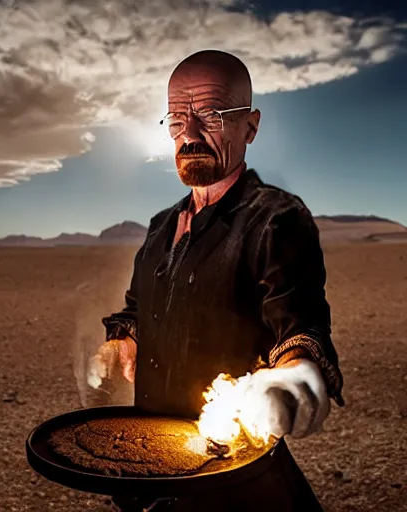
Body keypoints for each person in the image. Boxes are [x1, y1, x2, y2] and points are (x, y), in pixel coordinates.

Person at [87, 49, 344, 511]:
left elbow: (298, 324)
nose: (189, 134)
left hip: (232, 479)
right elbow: (137, 309)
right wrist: (123, 343)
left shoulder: (276, 219)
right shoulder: (161, 226)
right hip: (153, 462)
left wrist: (296, 375)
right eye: (177, 118)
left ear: (250, 126)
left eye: (209, 115)